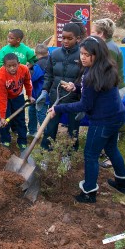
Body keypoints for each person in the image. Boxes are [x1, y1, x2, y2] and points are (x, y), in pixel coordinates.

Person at [47, 36, 125, 203]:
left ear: (97, 54)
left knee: (90, 154)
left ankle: (89, 191)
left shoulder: (91, 75)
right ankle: (122, 182)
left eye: (87, 54)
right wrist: (75, 86)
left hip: (102, 121)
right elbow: (94, 90)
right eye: (82, 54)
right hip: (117, 116)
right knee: (112, 148)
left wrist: (58, 108)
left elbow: (85, 105)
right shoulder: (106, 68)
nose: (82, 57)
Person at [37, 21, 86, 152]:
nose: (65, 41)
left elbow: (85, 77)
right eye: (63, 37)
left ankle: (70, 155)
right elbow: (49, 74)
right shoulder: (54, 54)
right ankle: (45, 152)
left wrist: (80, 94)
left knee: (73, 130)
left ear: (78, 38)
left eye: (70, 38)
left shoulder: (83, 56)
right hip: (55, 97)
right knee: (50, 127)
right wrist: (44, 91)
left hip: (74, 99)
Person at [92, 18, 125, 166]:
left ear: (101, 34)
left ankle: (109, 155)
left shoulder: (109, 49)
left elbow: (107, 75)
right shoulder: (104, 46)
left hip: (113, 90)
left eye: (93, 32)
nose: (90, 34)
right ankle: (103, 148)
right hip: (109, 89)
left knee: (109, 123)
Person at [0, 53, 34, 149]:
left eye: (14, 65)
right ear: (4, 66)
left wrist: (29, 95)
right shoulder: (1, 76)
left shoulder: (24, 69)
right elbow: (1, 97)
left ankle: (22, 141)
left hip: (18, 96)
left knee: (20, 120)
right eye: (9, 66)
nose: (12, 68)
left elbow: (27, 82)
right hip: (6, 98)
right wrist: (3, 116)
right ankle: (5, 140)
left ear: (19, 63)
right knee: (4, 121)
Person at [28, 43, 49, 137]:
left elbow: (33, 77)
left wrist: (28, 69)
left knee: (40, 114)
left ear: (36, 54)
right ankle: (32, 131)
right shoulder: (51, 61)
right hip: (44, 92)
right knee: (32, 110)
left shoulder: (39, 64)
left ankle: (46, 134)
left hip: (39, 94)